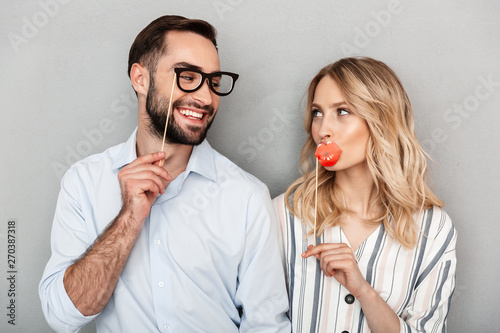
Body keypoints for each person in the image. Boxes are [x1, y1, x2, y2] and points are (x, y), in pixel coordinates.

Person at [39, 15, 290, 332]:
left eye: (213, 82)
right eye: (187, 76)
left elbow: (266, 325)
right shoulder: (84, 182)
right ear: (140, 79)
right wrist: (129, 217)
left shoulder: (247, 197)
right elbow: (62, 317)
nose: (205, 97)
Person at [273, 57, 457, 332]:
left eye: (342, 111)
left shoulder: (433, 229)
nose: (323, 130)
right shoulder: (283, 214)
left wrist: (363, 290)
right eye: (317, 112)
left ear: (382, 120)